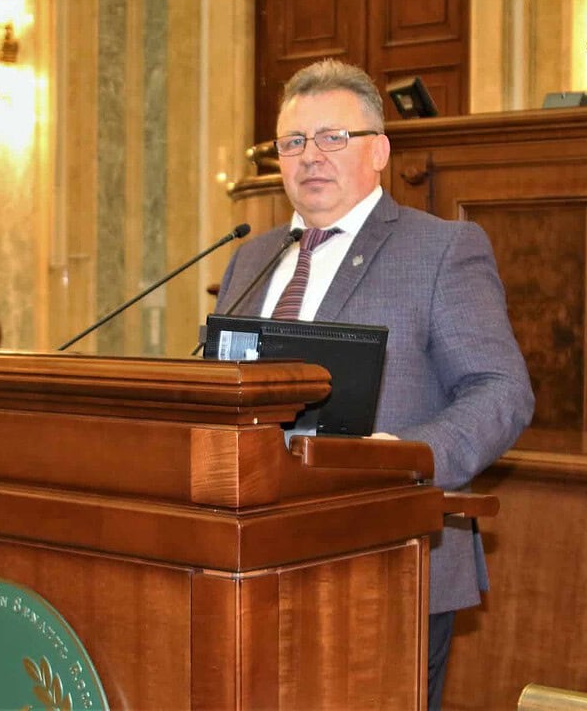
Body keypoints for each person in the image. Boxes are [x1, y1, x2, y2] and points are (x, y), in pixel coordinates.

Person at [214, 59, 534, 709]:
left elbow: (501, 391)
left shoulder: (441, 250)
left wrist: (404, 458)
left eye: (333, 137)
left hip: (390, 559)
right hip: (256, 557)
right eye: (293, 142)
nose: (310, 156)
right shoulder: (252, 257)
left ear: (379, 152)